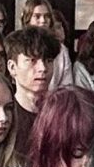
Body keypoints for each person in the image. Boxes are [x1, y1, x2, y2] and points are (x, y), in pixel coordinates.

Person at [5, 25, 59, 158]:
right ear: (12, 67)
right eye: (32, 61)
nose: (43, 68)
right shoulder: (5, 116)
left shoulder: (62, 112)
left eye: (48, 61)